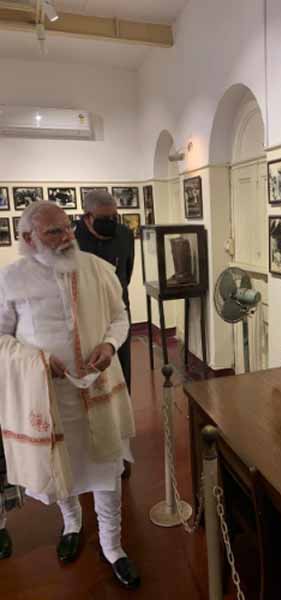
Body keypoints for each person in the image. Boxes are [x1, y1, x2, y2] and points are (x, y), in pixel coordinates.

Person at [0, 202, 140, 589]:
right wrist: (38, 360)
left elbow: (120, 316)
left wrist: (111, 346)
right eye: (54, 232)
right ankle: (72, 525)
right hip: (49, 397)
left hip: (98, 390)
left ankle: (113, 547)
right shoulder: (11, 280)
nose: (67, 239)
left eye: (67, 228)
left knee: (107, 469)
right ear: (28, 238)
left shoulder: (96, 269)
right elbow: (1, 339)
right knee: (65, 466)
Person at [74, 191, 134, 479]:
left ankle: (121, 447)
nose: (112, 222)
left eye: (114, 216)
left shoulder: (124, 235)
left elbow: (126, 273)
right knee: (86, 383)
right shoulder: (72, 239)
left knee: (121, 380)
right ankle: (88, 446)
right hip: (85, 323)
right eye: (105, 218)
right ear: (87, 217)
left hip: (117, 317)